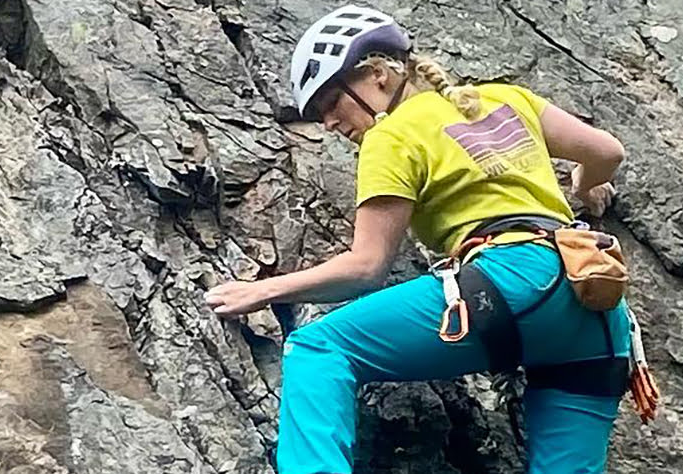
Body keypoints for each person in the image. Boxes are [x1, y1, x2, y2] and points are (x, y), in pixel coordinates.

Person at [203, 5, 632, 473]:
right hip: (594, 304)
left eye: (331, 102)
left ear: (378, 75)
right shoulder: (506, 98)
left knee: (319, 349)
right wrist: (585, 185)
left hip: (511, 283)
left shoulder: (391, 135)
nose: (328, 122)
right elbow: (608, 151)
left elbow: (366, 267)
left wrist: (263, 291)